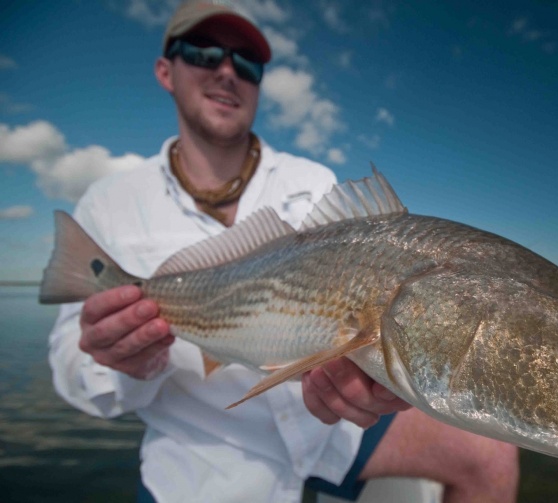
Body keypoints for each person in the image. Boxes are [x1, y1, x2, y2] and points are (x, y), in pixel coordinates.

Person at [47, 1, 519, 502]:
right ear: (166, 71)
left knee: (490, 455)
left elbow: (349, 319)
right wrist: (124, 362)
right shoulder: (111, 201)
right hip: (205, 452)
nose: (227, 71)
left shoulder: (311, 180)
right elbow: (73, 377)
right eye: (204, 53)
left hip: (327, 430)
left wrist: (377, 380)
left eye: (247, 62)